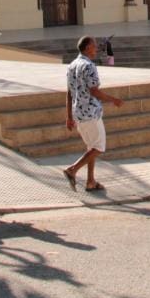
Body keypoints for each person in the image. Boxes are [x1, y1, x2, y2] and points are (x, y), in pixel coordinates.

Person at [62, 36, 123, 193]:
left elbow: (69, 93)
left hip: (78, 114)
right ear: (88, 47)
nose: (96, 49)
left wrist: (68, 116)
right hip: (90, 113)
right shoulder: (88, 66)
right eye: (94, 46)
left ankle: (90, 181)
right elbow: (94, 91)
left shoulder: (72, 65)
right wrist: (113, 100)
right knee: (99, 147)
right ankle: (72, 170)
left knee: (91, 147)